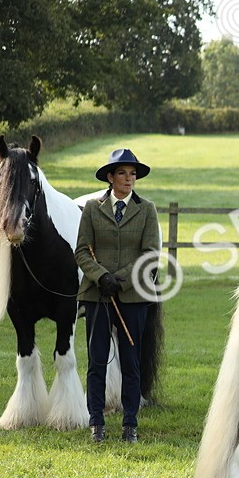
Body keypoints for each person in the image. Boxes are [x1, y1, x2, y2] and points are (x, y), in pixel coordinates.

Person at [75, 148, 159, 443]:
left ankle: (130, 425)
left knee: (131, 362)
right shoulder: (91, 208)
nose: (129, 179)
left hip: (133, 297)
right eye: (122, 173)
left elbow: (150, 255)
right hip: (97, 296)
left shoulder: (147, 210)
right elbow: (82, 250)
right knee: (96, 360)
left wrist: (119, 279)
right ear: (110, 177)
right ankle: (96, 422)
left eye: (132, 173)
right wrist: (101, 277)